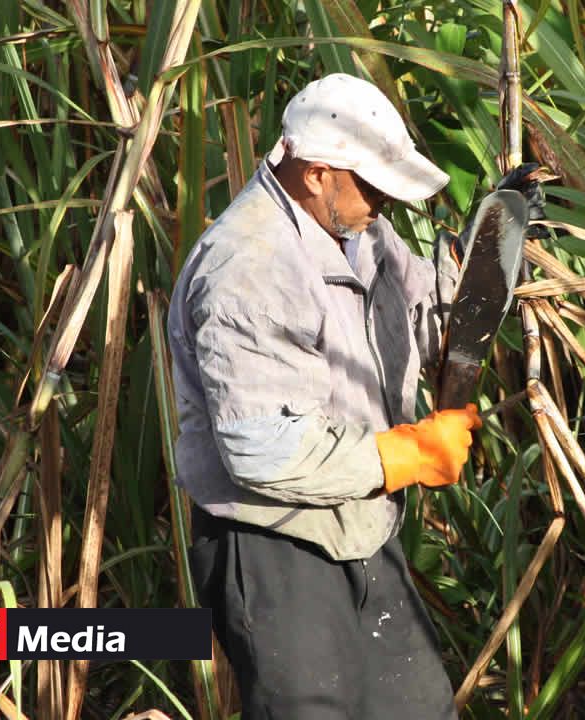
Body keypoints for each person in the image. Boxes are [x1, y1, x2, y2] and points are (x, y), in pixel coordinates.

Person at [168, 73, 527, 719]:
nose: (385, 204)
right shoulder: (248, 268)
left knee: (418, 710)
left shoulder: (364, 234)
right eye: (372, 186)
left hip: (361, 526)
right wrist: (407, 456)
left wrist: (492, 249)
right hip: (275, 545)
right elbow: (262, 451)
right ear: (315, 174)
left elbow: (429, 319)